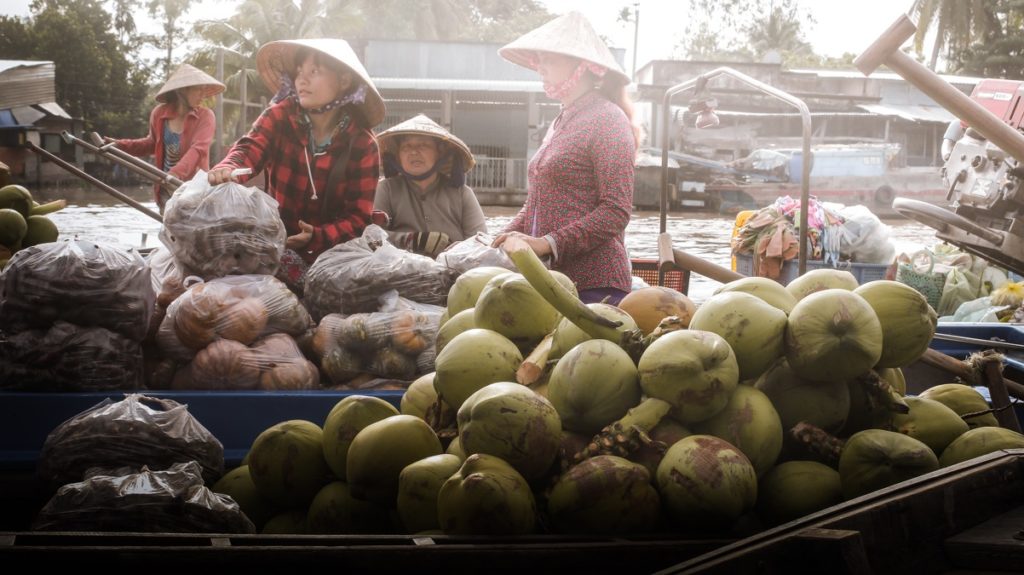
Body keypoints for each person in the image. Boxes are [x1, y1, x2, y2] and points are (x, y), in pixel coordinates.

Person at [492, 11, 640, 305]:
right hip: (549, 280)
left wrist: (548, 243)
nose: (541, 68)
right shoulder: (560, 120)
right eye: (540, 60)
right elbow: (538, 202)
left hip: (594, 284)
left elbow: (616, 211)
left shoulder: (608, 120)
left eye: (551, 60)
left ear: (583, 66)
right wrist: (502, 235)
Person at [207, 38, 385, 281]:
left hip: (333, 253)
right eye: (299, 72)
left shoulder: (362, 143)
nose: (302, 79)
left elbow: (358, 217)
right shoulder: (280, 115)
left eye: (315, 71)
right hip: (274, 242)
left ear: (343, 81)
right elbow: (250, 148)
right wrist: (229, 167)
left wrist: (317, 236)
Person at [113, 63, 225, 211]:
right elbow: (151, 143)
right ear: (182, 91)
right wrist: (119, 145)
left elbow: (198, 149)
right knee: (170, 231)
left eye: (203, 90)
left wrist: (175, 173)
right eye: (198, 90)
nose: (202, 95)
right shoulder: (159, 114)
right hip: (166, 189)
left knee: (191, 231)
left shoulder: (205, 116)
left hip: (195, 190)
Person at [374, 114, 487, 258]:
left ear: (440, 153)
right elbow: (371, 238)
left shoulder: (462, 193)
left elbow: (481, 242)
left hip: (454, 271)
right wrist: (414, 240)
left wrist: (457, 250)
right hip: (401, 272)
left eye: (423, 145)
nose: (413, 152)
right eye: (406, 146)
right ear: (398, 156)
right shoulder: (386, 189)